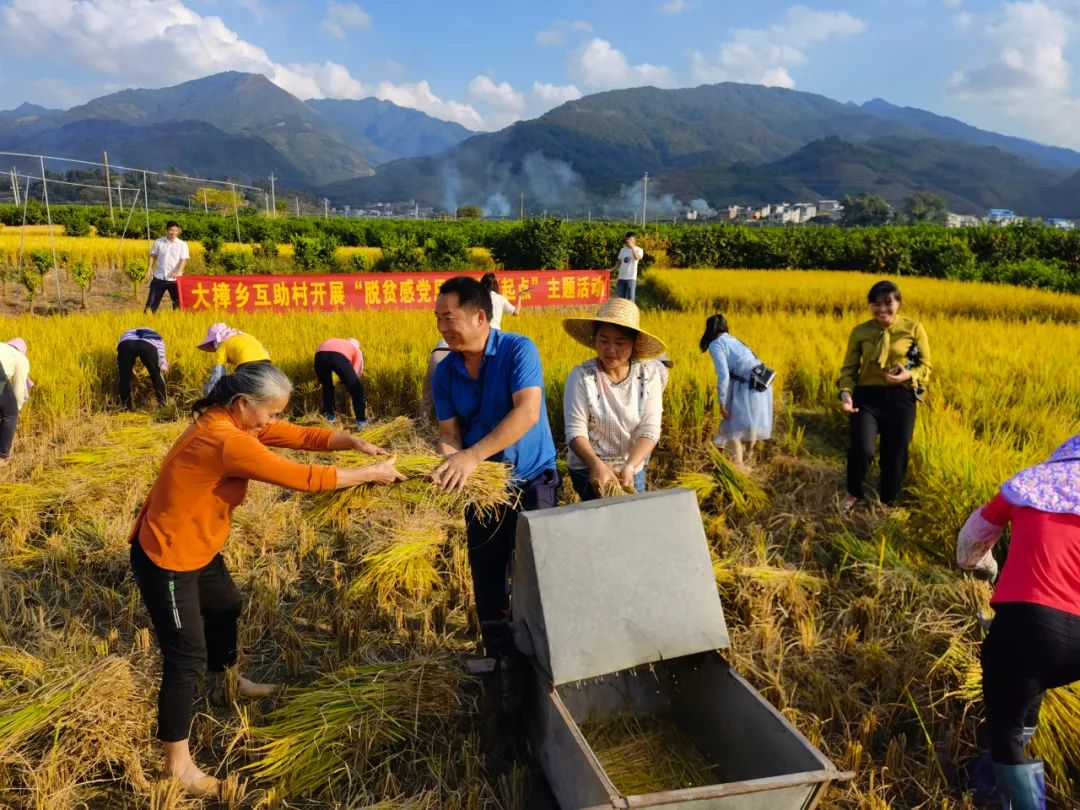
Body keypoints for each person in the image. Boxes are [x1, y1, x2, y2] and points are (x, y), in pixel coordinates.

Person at [128, 362, 404, 798]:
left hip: (199, 545)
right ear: (242, 404)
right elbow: (301, 478)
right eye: (270, 413)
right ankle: (176, 765)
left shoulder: (234, 422)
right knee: (185, 657)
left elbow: (298, 436)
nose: (273, 421)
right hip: (168, 556)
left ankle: (228, 682)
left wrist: (347, 441)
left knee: (225, 605)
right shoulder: (225, 439)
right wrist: (369, 474)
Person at [430, 276, 559, 655]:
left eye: (448, 318)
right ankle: (500, 659)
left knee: (537, 575)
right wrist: (451, 462)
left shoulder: (518, 350)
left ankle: (544, 654)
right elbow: (450, 433)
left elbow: (528, 413)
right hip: (483, 489)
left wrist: (470, 457)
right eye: (437, 318)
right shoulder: (445, 372)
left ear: (480, 317)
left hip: (532, 480)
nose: (442, 328)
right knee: (487, 578)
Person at [956, 435, 1080, 810]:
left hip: (1031, 625)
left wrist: (986, 567)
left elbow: (969, 546)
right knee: (1030, 688)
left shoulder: (1026, 486)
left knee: (1005, 728)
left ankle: (1011, 787)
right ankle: (992, 779)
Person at [837, 280, 931, 511]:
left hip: (901, 398)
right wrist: (846, 394)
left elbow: (926, 366)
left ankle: (887, 500)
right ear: (870, 306)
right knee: (862, 448)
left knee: (896, 452)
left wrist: (908, 375)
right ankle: (853, 491)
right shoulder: (860, 332)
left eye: (888, 303)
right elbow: (849, 369)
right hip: (867, 397)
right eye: (876, 304)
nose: (882, 309)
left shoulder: (913, 328)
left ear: (898, 303)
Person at [562, 299, 666, 500]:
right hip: (588, 467)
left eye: (620, 343)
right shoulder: (582, 376)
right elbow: (575, 431)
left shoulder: (649, 375)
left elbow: (650, 429)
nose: (610, 349)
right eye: (603, 340)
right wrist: (596, 466)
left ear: (634, 344)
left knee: (631, 525)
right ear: (594, 339)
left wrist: (629, 467)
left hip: (630, 467)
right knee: (599, 525)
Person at [700, 314, 773, 468]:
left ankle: (738, 468)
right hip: (760, 385)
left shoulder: (716, 344)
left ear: (709, 330)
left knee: (732, 430)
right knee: (751, 423)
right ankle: (749, 460)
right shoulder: (734, 340)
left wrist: (722, 401)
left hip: (745, 387)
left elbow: (724, 375)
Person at [197, 323, 270, 395]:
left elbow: (218, 372)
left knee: (234, 392)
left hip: (247, 365)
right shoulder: (247, 336)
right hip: (267, 364)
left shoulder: (223, 345)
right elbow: (264, 351)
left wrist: (210, 391)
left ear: (215, 340)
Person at [314, 337, 366, 427]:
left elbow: (321, 353)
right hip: (338, 358)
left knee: (327, 387)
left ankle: (330, 417)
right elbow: (357, 371)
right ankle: (361, 421)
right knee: (357, 389)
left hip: (319, 356)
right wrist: (350, 383)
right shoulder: (356, 350)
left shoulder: (337, 341)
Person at [118, 327, 169, 409]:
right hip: (147, 345)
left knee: (124, 377)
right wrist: (163, 363)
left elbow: (121, 348)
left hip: (126, 344)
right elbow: (161, 351)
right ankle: (163, 407)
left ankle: (125, 407)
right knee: (156, 375)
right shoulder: (156, 335)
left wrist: (129, 370)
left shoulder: (127, 333)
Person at [145, 221, 189, 314]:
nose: (173, 233)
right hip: (159, 277)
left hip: (175, 279)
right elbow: (152, 255)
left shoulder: (182, 244)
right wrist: (149, 268)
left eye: (176, 231)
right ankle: (147, 322)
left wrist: (178, 271)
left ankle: (177, 322)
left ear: (178, 231)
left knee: (178, 304)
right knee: (151, 304)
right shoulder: (159, 242)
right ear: (167, 230)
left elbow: (183, 260)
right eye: (171, 230)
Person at [0, 337, 30, 464]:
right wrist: (16, 408)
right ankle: (1, 457)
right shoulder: (21, 358)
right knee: (10, 414)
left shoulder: (3, 347)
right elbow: (18, 391)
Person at [612, 232, 644, 302]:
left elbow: (637, 258)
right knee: (621, 299)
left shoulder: (639, 250)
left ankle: (631, 312)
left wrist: (632, 248)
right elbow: (619, 262)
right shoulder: (622, 250)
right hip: (621, 277)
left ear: (634, 240)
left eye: (630, 239)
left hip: (631, 278)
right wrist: (611, 269)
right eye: (627, 239)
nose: (628, 241)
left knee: (630, 298)